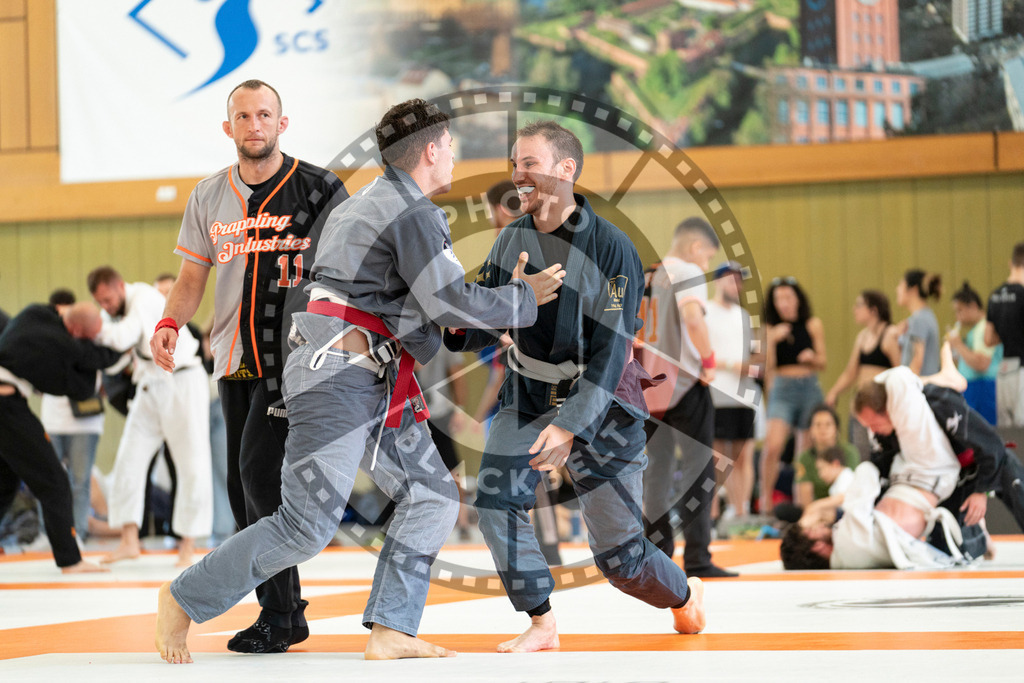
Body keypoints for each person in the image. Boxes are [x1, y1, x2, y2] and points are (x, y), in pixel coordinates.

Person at [155, 98, 566, 664]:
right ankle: (182, 599)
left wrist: (485, 319)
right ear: (430, 150)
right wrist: (522, 299)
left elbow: (409, 311)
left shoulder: (370, 203)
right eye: (450, 146)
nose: (454, 156)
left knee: (432, 495)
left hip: (363, 372)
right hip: (338, 375)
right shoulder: (412, 212)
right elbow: (446, 302)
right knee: (304, 526)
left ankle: (392, 627)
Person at [445, 120, 707, 654]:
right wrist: (450, 316)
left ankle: (683, 594)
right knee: (495, 501)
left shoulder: (613, 249)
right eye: (514, 163)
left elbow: (613, 353)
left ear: (566, 170)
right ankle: (542, 622)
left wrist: (570, 425)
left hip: (604, 403)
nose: (518, 173)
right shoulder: (510, 238)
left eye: (530, 164)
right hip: (529, 395)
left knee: (620, 560)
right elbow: (483, 321)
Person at [150, 79, 348, 653]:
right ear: (228, 127)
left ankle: (283, 616)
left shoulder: (321, 188)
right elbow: (192, 279)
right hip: (235, 360)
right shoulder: (209, 196)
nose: (254, 124)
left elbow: (355, 266)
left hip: (300, 361)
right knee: (248, 492)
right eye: (243, 116)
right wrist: (167, 323)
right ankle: (282, 612)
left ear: (282, 124)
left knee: (261, 478)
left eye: (265, 114)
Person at [88, 266, 211, 567]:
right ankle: (129, 540)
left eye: (107, 299)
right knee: (129, 459)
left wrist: (89, 328)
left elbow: (122, 337)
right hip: (148, 385)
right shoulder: (112, 313)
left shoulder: (143, 297)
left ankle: (188, 546)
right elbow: (115, 357)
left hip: (182, 381)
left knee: (191, 463)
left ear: (119, 285)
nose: (105, 306)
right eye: (100, 303)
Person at [639, 217, 735, 578]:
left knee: (656, 474)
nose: (706, 266)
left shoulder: (647, 275)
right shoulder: (688, 273)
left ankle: (657, 557)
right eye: (708, 257)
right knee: (698, 471)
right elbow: (693, 319)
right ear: (696, 248)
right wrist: (709, 362)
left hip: (648, 386)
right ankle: (698, 558)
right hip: (683, 384)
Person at [0, 301, 119, 573]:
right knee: (54, 481)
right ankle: (70, 560)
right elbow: (86, 378)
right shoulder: (64, 345)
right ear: (77, 331)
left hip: (8, 405)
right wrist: (120, 351)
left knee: (5, 482)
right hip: (6, 408)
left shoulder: (33, 313)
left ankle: (69, 556)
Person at [39, 289, 106, 542]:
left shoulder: (90, 335)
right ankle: (49, 535)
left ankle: (77, 534)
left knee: (80, 483)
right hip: (52, 420)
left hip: (85, 423)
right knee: (47, 480)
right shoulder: (47, 337)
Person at [761, 277, 826, 514]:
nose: (784, 303)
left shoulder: (812, 324)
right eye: (779, 299)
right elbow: (767, 368)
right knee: (773, 446)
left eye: (788, 297)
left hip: (809, 387)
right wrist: (772, 340)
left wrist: (812, 358)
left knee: (804, 450)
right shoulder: (770, 328)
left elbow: (823, 362)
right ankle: (766, 503)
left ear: (797, 298)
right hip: (782, 388)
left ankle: (802, 504)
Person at [705, 261, 758, 523]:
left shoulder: (744, 316)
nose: (735, 285)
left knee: (743, 455)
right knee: (716, 457)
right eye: (730, 279)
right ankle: (712, 516)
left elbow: (751, 355)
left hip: (743, 394)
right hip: (716, 393)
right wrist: (727, 364)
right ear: (717, 281)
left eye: (738, 280)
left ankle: (741, 512)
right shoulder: (705, 311)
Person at [824, 290, 901, 460]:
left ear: (873, 310)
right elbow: (851, 373)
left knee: (884, 453)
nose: (854, 309)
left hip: (881, 407)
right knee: (860, 453)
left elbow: (901, 372)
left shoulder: (890, 334)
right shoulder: (862, 337)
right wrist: (834, 392)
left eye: (859, 305)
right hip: (862, 404)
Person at [947, 281, 1001, 424]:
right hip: (973, 389)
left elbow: (981, 363)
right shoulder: (974, 331)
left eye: (960, 310)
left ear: (973, 306)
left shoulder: (983, 329)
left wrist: (958, 345)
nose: (957, 316)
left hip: (983, 390)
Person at [985, 241, 1024, 427]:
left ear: (1011, 263)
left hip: (1004, 369)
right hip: (1022, 370)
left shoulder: (994, 296)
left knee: (1007, 431)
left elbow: (988, 339)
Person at [793, 405, 860, 509]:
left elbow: (853, 490)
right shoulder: (804, 458)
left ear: (836, 428)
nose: (823, 429)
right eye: (818, 425)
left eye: (828, 424)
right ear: (810, 430)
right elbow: (805, 496)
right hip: (817, 510)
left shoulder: (850, 452)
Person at [896, 269, 942, 376]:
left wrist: (909, 387)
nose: (897, 289)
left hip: (921, 388)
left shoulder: (919, 319)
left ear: (913, 290)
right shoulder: (923, 317)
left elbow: (917, 360)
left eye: (900, 285)